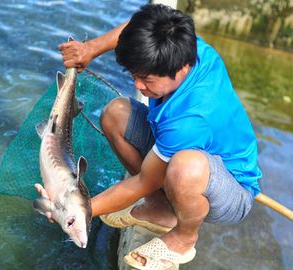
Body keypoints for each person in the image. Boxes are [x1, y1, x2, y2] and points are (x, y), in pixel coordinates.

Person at [35, 4, 262, 270]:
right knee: (115, 113)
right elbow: (135, 30)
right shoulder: (183, 47)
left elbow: (144, 179)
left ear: (181, 70)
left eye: (146, 79)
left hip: (229, 188)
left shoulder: (190, 119)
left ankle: (184, 238)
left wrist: (73, 212)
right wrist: (90, 49)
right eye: (134, 76)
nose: (138, 86)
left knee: (185, 167)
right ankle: (158, 207)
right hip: (179, 148)